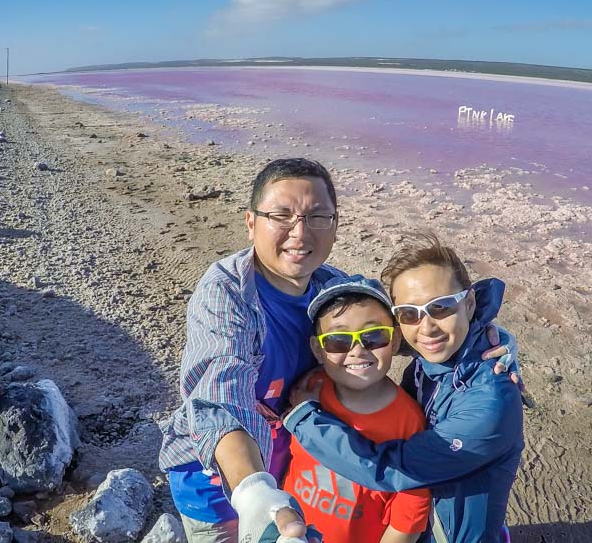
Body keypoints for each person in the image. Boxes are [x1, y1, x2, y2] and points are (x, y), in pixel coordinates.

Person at [158, 159, 519, 543]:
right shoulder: (229, 292)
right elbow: (220, 392)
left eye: (317, 217)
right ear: (251, 222)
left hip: (289, 465)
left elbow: (407, 326)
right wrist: (253, 495)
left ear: (334, 226)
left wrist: (480, 339)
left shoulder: (332, 289)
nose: (300, 232)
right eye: (281, 215)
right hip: (220, 485)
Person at [285, 233, 524, 543]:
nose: (426, 328)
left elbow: (392, 469)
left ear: (469, 303)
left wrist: (304, 420)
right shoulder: (430, 359)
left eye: (441, 307)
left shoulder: (491, 402)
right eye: (410, 313)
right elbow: (370, 339)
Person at [284, 274, 431, 543]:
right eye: (338, 340)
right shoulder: (310, 390)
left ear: (395, 340)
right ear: (318, 349)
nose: (357, 350)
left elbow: (408, 517)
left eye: (374, 336)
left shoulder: (409, 422)